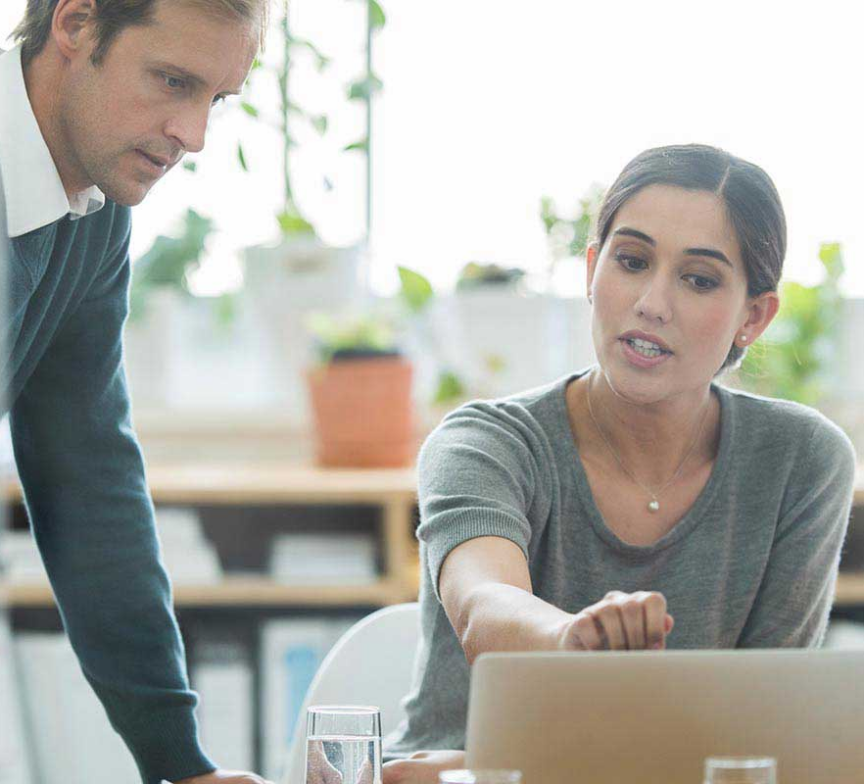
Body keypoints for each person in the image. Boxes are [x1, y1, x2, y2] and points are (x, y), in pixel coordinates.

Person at [380, 144, 857, 783]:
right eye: (631, 261)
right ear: (590, 270)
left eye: (699, 279)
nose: (652, 303)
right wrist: (571, 641)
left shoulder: (802, 462)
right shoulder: (484, 442)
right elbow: (483, 607)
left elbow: (760, 738)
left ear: (754, 316)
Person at [0, 1, 273, 782]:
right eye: (172, 81)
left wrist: (180, 765)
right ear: (76, 22)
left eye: (215, 99)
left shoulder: (88, 208)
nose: (193, 133)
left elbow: (85, 474)